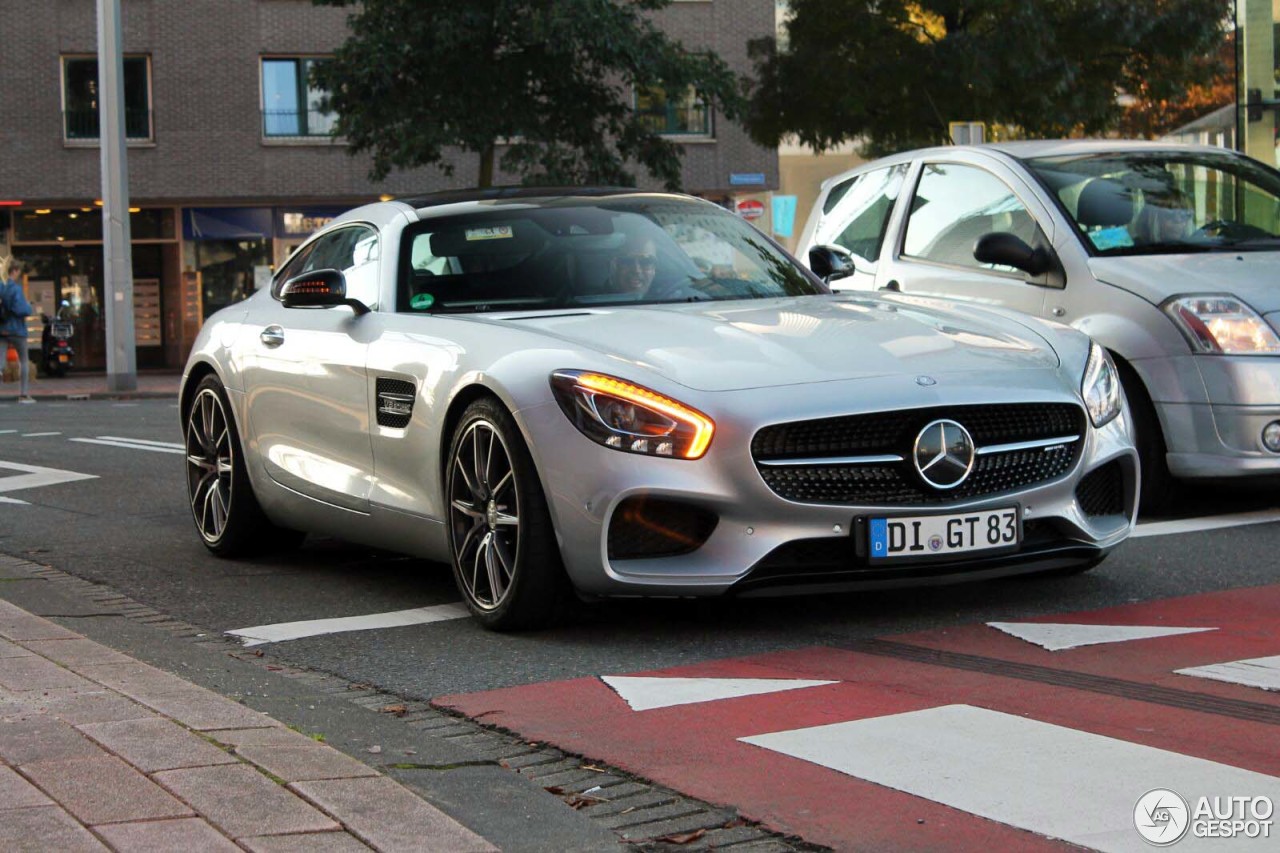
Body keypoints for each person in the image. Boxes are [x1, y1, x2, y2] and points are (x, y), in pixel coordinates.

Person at [0, 259, 35, 403]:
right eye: (18, 271)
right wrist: (29, 307)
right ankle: (24, 394)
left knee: (0, 361)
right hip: (17, 330)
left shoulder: (1, 286)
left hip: (2, 328)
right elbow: (22, 310)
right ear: (14, 271)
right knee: (24, 361)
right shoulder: (15, 289)